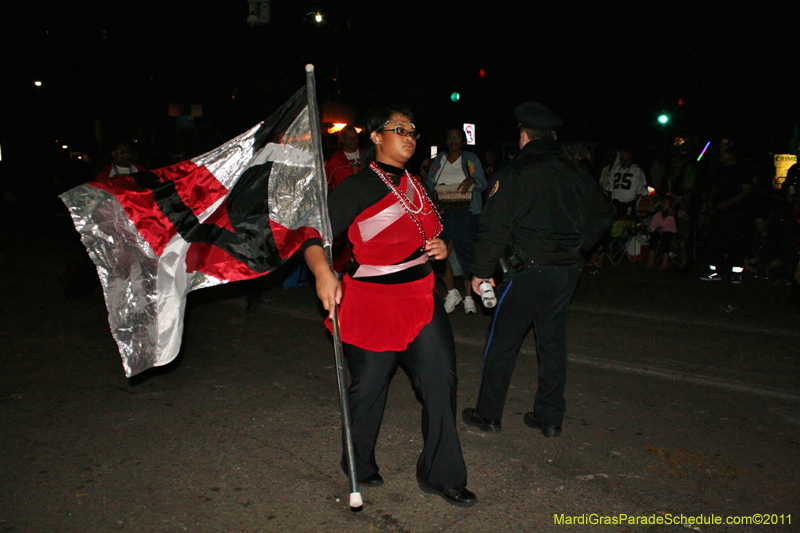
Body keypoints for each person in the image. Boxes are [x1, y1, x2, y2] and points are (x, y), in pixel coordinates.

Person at [302, 106, 477, 507]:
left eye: (413, 130)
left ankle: (442, 474)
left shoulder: (419, 184)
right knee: (369, 389)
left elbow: (434, 228)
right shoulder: (357, 186)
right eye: (399, 129)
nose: (410, 136)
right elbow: (314, 234)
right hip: (372, 301)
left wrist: (442, 247)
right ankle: (358, 462)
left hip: (420, 296)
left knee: (440, 382)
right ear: (377, 137)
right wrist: (322, 272)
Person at [462, 101, 612, 437]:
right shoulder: (575, 173)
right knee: (552, 343)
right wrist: (578, 244)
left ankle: (488, 415)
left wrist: (481, 269)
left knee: (503, 342)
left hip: (530, 269)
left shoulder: (517, 171)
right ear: (553, 136)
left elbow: (494, 226)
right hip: (566, 271)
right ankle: (550, 418)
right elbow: (603, 214)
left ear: (524, 135)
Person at [425, 128, 487, 313]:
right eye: (450, 137)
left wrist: (471, 180)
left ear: (463, 140)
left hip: (466, 213)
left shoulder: (470, 159)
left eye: (457, 137)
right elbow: (429, 184)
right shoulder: (439, 160)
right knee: (438, 255)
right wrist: (435, 192)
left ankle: (469, 297)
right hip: (444, 212)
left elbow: (482, 183)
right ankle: (452, 292)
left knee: (466, 254)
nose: (453, 140)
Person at [700, 141, 754, 283]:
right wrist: (711, 202)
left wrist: (728, 203)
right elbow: (713, 188)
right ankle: (715, 271)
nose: (721, 156)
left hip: (735, 213)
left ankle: (736, 273)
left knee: (734, 243)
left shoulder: (741, 169)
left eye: (723, 153)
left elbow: (747, 190)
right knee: (715, 241)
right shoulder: (720, 170)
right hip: (718, 212)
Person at [599, 146, 648, 218]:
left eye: (624, 154)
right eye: (621, 154)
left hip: (630, 206)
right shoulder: (615, 169)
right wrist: (612, 204)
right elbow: (610, 188)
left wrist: (632, 204)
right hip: (616, 205)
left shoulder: (637, 170)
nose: (622, 156)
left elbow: (640, 191)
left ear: (630, 155)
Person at [324, 125, 363, 193]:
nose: (353, 140)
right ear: (343, 140)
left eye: (355, 137)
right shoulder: (334, 161)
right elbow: (326, 185)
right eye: (350, 138)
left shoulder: (366, 156)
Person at [646, 195, 677, 269]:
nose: (663, 204)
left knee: (666, 237)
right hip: (659, 232)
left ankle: (665, 261)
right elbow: (652, 226)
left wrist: (664, 229)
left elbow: (674, 229)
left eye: (666, 203)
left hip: (669, 233)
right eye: (663, 203)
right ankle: (651, 259)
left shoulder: (672, 216)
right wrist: (657, 228)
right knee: (653, 236)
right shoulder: (658, 214)